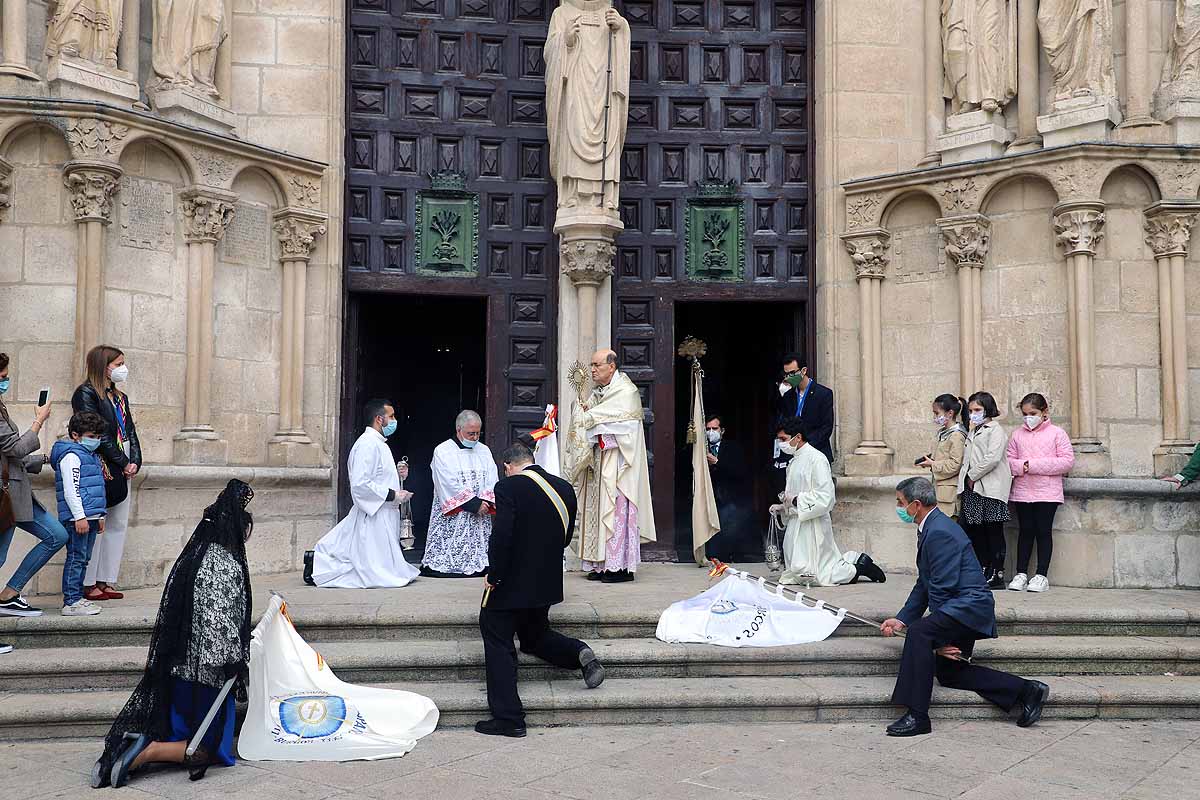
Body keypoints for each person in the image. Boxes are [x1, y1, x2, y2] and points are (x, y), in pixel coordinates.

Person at [93, 480, 255, 789]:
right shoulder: (226, 563)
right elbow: (218, 622)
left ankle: (132, 751)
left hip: (177, 668)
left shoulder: (194, 556)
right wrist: (237, 659)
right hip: (206, 675)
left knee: (179, 728)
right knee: (209, 747)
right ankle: (146, 752)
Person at [880, 476, 1048, 737]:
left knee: (919, 634)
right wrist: (902, 619)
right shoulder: (931, 526)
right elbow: (925, 583)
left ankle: (917, 715)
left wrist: (937, 639)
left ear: (915, 504)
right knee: (950, 673)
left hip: (966, 607)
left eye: (901, 503)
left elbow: (942, 588)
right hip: (960, 607)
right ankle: (1026, 690)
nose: (899, 507)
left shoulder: (938, 531)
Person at [476, 444, 605, 737]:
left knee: (496, 635)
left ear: (508, 465)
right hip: (546, 582)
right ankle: (578, 653)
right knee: (534, 637)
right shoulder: (563, 488)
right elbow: (565, 536)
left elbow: (502, 534)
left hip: (510, 582)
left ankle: (509, 719)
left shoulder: (508, 486)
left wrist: (493, 574)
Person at [566, 349, 656, 583]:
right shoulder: (598, 393)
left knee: (616, 514)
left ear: (611, 367)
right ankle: (599, 564)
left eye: (597, 365)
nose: (592, 369)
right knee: (596, 512)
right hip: (598, 463)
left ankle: (619, 568)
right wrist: (583, 412)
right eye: (591, 364)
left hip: (618, 467)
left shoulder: (626, 392)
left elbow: (629, 430)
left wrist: (593, 426)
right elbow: (592, 420)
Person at [309, 398, 418, 588]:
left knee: (385, 566)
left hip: (383, 512)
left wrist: (399, 474)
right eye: (391, 416)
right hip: (374, 514)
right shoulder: (367, 444)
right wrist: (393, 495)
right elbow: (361, 484)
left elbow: (378, 476)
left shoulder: (379, 443)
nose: (394, 420)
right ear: (378, 419)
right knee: (372, 569)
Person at [773, 417, 885, 586]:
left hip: (813, 523)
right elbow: (793, 493)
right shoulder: (794, 461)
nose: (781, 444)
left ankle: (859, 567)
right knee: (796, 572)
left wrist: (796, 500)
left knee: (820, 575)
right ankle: (853, 562)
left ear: (797, 437)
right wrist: (783, 507)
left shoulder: (817, 459)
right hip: (797, 521)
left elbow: (826, 497)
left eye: (783, 439)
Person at [0, 353, 67, 626]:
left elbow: (10, 456)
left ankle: (9, 594)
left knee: (56, 535)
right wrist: (39, 421)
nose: (6, 382)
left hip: (16, 493)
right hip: (5, 496)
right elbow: (14, 448)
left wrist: (45, 459)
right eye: (3, 378)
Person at [73, 345, 142, 603]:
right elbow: (94, 431)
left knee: (118, 522)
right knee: (98, 521)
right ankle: (89, 582)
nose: (122, 368)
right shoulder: (86, 393)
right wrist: (122, 461)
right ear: (103, 365)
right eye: (118, 363)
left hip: (122, 459)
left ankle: (105, 579)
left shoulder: (120, 397)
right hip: (101, 460)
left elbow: (130, 432)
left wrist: (135, 460)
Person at [1005, 393, 1074, 593]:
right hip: (1022, 491)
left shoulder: (1057, 433)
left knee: (1043, 532)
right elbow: (1009, 461)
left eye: (1033, 413)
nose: (1029, 418)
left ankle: (1041, 575)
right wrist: (1021, 466)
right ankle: (1021, 573)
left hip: (1047, 492)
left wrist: (1030, 465)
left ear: (1044, 412)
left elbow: (1067, 461)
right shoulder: (1017, 434)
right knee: (1025, 532)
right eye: (1025, 414)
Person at [422, 410, 498, 578]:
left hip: (481, 510)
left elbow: (492, 476)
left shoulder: (484, 450)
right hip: (458, 511)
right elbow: (446, 482)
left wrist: (485, 501)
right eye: (471, 433)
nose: (475, 437)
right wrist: (474, 504)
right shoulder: (443, 451)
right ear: (459, 430)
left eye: (478, 433)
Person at [52, 412, 109, 616]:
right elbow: (71, 489)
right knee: (76, 557)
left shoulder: (90, 456)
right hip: (78, 518)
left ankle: (77, 597)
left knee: (84, 558)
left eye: (98, 437)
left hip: (90, 517)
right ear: (76, 435)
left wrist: (99, 516)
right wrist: (80, 517)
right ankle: (71, 601)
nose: (96, 441)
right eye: (91, 436)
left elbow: (95, 489)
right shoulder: (71, 456)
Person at [957, 391, 1012, 589]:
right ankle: (982, 568)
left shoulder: (995, 430)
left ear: (987, 409)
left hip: (990, 488)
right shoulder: (973, 430)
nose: (973, 414)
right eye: (971, 410)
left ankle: (997, 573)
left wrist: (973, 475)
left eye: (977, 410)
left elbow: (992, 458)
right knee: (976, 531)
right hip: (973, 489)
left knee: (993, 531)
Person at [774, 354, 834, 496]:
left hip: (815, 452)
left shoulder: (823, 394)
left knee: (814, 497)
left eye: (792, 373)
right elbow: (782, 423)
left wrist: (805, 446)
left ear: (803, 371)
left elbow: (826, 427)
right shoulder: (787, 396)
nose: (789, 377)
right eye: (786, 374)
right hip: (793, 455)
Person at [702, 414, 753, 562]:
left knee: (728, 527)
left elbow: (740, 471)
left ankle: (728, 556)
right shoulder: (701, 448)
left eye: (714, 428)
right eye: (708, 429)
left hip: (729, 497)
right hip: (708, 496)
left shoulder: (733, 448)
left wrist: (717, 462)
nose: (711, 432)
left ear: (722, 430)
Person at [916, 394, 967, 518]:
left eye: (937, 413)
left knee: (948, 531)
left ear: (950, 413)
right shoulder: (943, 433)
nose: (935, 417)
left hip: (949, 495)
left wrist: (933, 464)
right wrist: (929, 461)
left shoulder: (957, 435)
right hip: (939, 491)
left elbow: (955, 464)